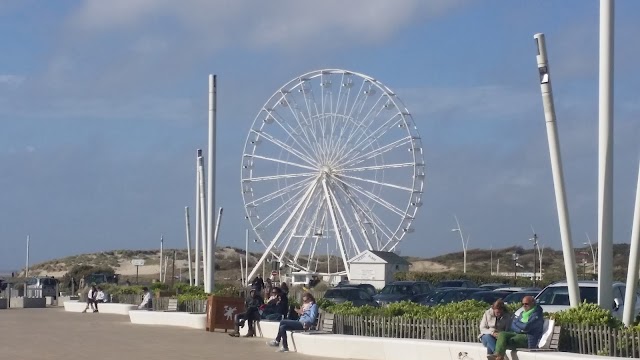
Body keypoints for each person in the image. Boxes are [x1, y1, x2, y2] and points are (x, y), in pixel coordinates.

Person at [490, 296, 544, 360]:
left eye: (526, 304)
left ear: (533, 303)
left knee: (506, 340)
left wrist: (517, 323)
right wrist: (520, 330)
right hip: (519, 333)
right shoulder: (522, 313)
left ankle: (499, 357)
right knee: (502, 334)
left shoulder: (536, 314)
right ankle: (498, 355)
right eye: (523, 304)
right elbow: (512, 325)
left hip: (528, 337)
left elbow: (526, 327)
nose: (524, 306)